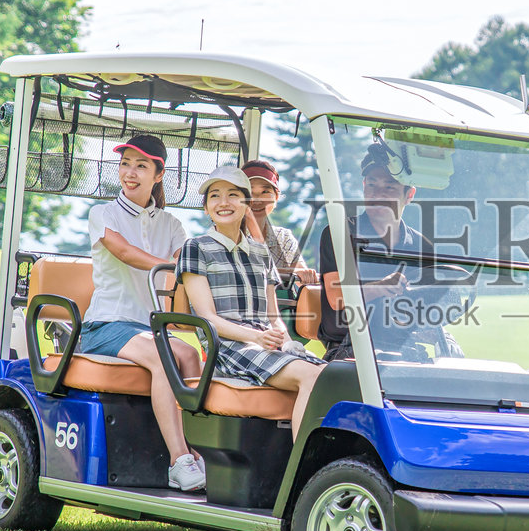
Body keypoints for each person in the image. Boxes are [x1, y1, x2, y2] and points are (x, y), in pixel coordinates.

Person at [77, 132, 206, 492]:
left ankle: (197, 454)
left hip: (147, 330)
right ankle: (179, 461)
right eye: (125, 164)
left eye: (140, 166)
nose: (130, 173)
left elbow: (189, 265)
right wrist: (172, 266)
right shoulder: (103, 213)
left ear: (158, 174)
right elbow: (126, 253)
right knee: (167, 355)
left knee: (191, 355)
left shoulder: (171, 225)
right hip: (106, 325)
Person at [174, 165, 325, 434]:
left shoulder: (260, 253)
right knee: (311, 376)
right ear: (206, 208)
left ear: (246, 204)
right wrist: (255, 337)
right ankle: (303, 470)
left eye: (233, 195)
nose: (223, 202)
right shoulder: (195, 248)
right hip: (229, 348)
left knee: (335, 376)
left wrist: (289, 343)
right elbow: (207, 318)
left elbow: (273, 316)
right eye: (214, 196)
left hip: (263, 345)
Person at [315, 142, 429, 361]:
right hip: (348, 348)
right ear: (363, 185)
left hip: (404, 348)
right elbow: (337, 298)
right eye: (372, 185)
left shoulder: (420, 246)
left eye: (389, 187)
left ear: (409, 194)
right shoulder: (339, 233)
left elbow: (423, 306)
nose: (378, 194)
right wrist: (379, 288)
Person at [241, 159, 319, 287]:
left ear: (276, 197)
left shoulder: (283, 237)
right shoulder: (230, 233)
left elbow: (300, 272)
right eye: (250, 192)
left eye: (265, 192)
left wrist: (305, 275)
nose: (257, 200)